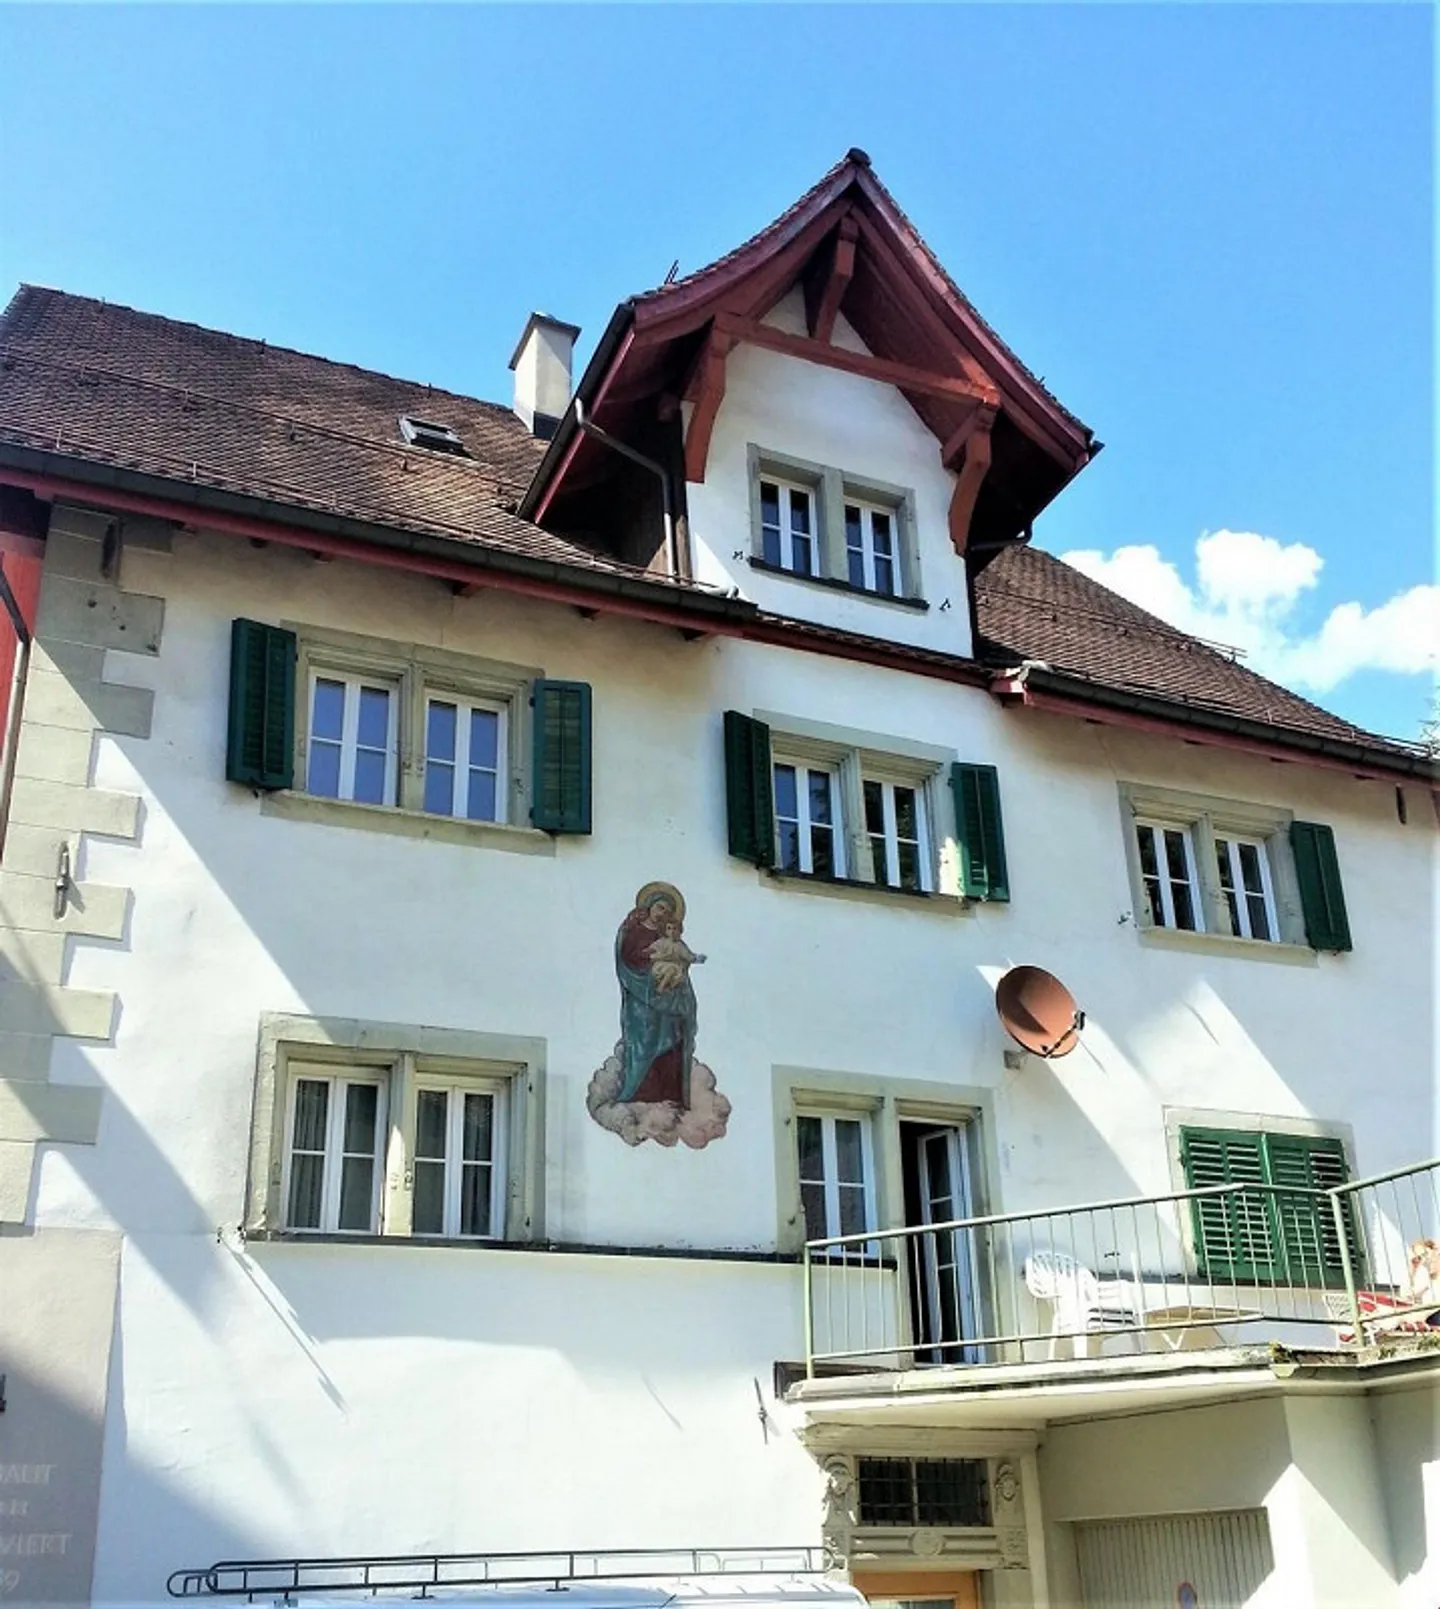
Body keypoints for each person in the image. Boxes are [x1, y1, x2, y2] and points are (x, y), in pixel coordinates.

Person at [614, 884, 700, 1107]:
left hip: (670, 999)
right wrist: (649, 964)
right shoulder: (634, 931)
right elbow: (628, 958)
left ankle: (671, 1095)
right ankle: (638, 1092)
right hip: (641, 998)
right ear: (649, 906)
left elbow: (682, 958)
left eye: (666, 910)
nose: (662, 913)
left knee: (673, 1039)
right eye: (660, 907)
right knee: (644, 1040)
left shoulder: (668, 936)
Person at [647, 919, 706, 994]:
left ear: (679, 931)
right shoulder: (662, 942)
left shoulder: (680, 945)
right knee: (671, 969)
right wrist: (659, 955)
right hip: (660, 966)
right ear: (665, 931)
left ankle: (669, 988)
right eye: (669, 928)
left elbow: (688, 956)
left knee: (678, 973)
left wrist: (697, 958)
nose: (672, 931)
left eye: (674, 928)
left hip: (675, 968)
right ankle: (660, 988)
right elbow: (651, 950)